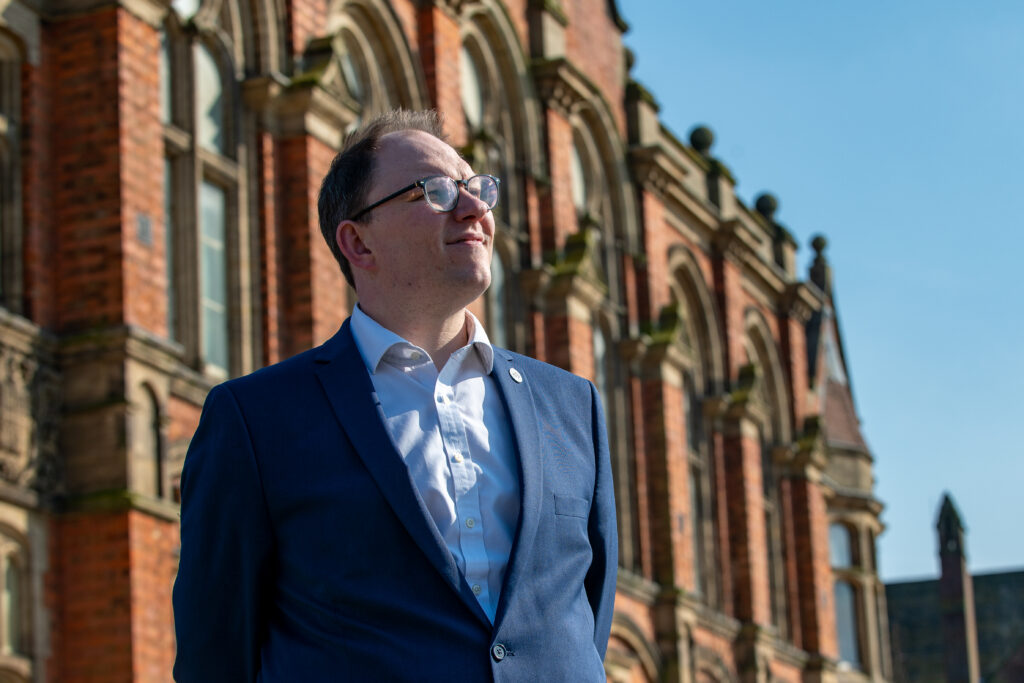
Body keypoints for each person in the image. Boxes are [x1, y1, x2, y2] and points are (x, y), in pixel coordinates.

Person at [172, 109, 617, 681]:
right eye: (433, 191)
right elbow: (216, 655)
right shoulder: (258, 419)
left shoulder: (571, 404)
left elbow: (583, 619)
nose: (474, 208)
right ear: (357, 242)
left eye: (477, 188)